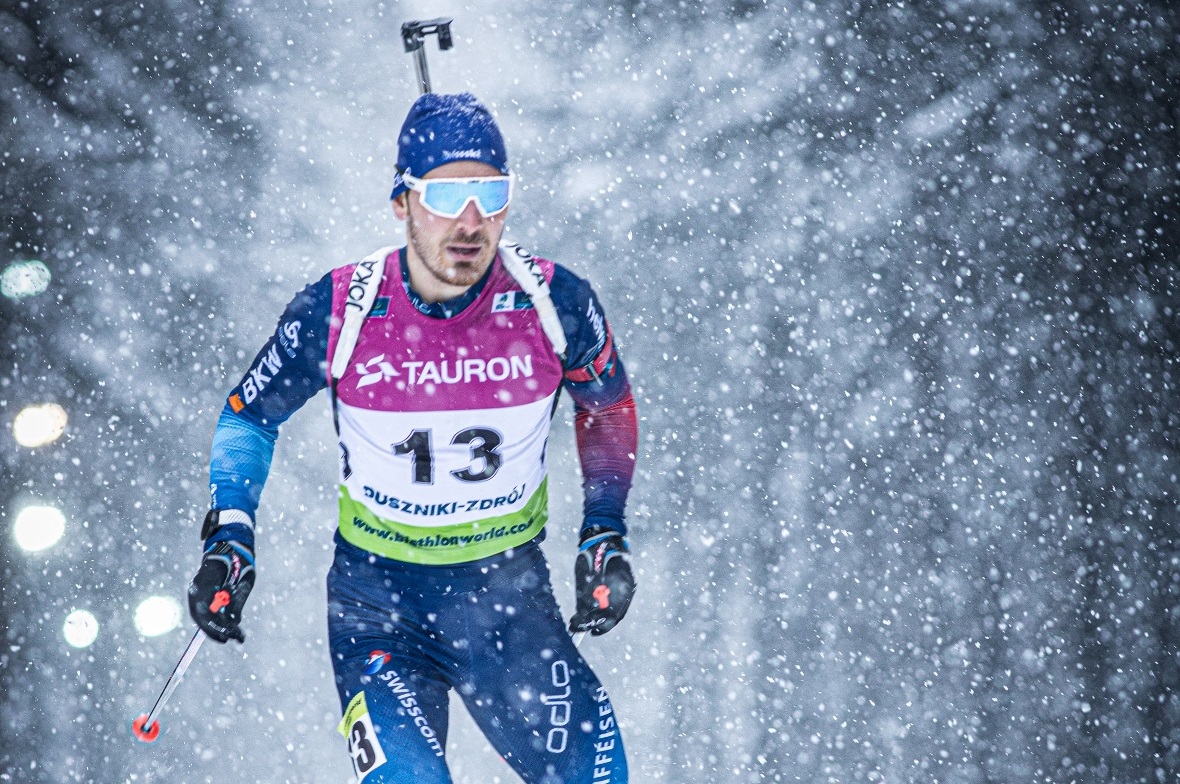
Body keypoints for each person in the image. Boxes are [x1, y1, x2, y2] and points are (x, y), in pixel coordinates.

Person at [184, 92, 638, 784]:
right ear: (402, 201)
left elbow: (607, 407)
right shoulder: (342, 308)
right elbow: (249, 415)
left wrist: (604, 531)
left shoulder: (553, 302)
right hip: (379, 614)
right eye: (447, 195)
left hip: (509, 609)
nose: (471, 220)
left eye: (491, 193)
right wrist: (231, 536)